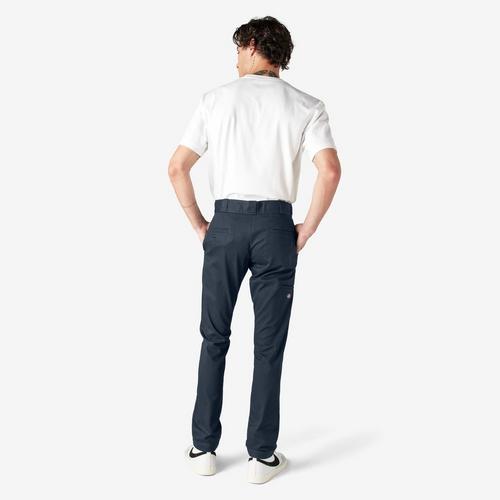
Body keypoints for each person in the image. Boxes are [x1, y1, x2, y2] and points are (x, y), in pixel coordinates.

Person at [168, 16, 341, 484]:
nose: (235, 61)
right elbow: (329, 170)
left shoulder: (215, 99)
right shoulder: (307, 105)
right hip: (276, 228)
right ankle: (261, 457)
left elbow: (177, 167)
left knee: (214, 337)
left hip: (224, 225)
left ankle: (203, 449)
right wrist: (306, 230)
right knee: (268, 346)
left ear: (249, 46)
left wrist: (200, 224)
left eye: (237, 51)